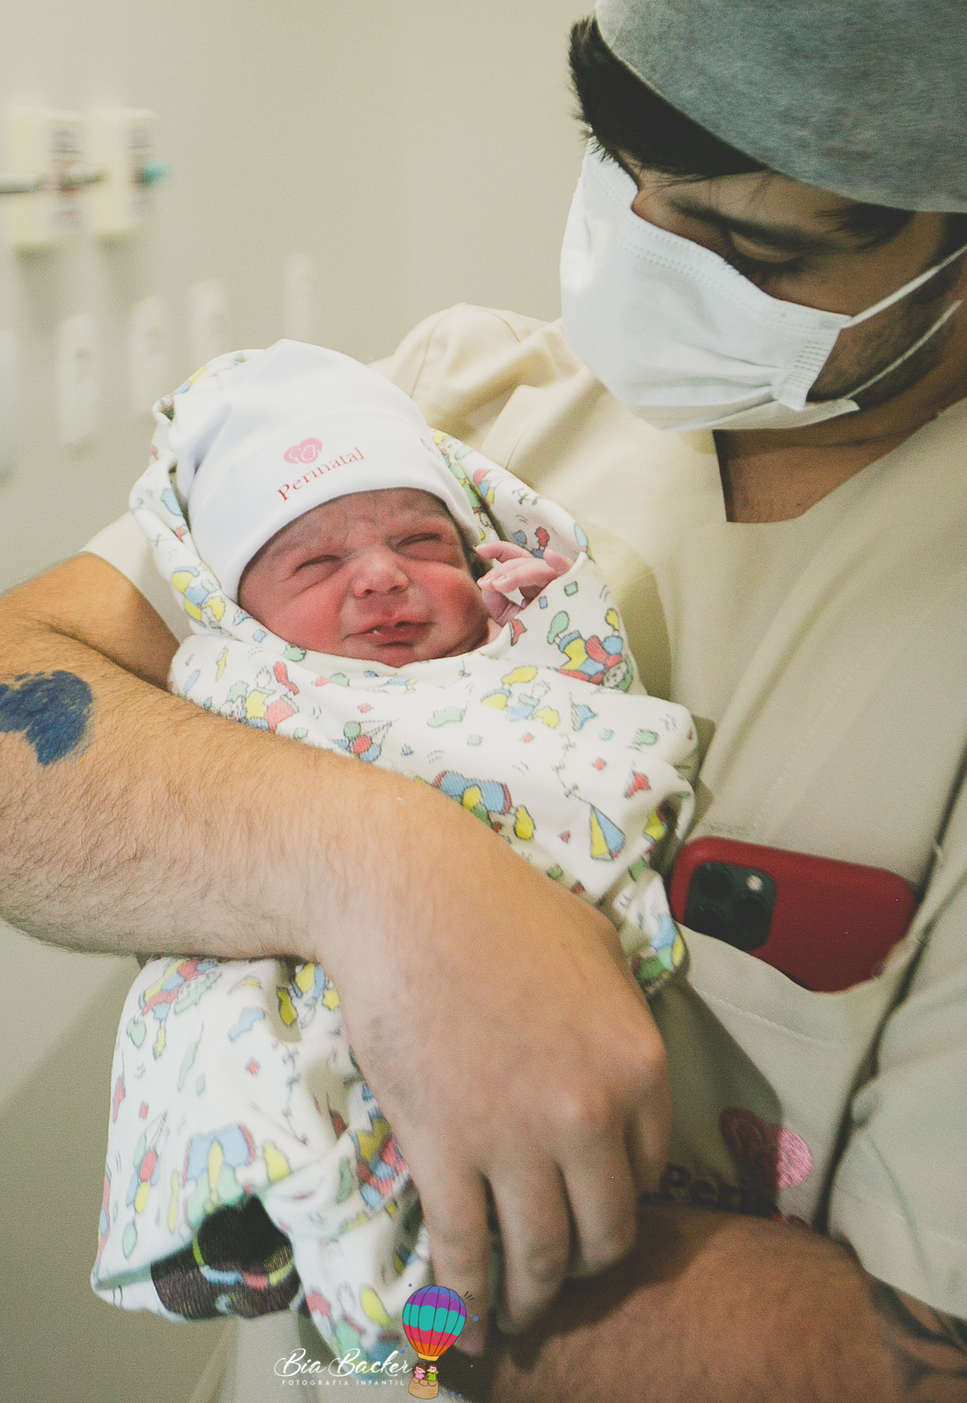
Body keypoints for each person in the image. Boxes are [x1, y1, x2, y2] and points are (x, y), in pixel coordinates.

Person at [0, 0, 967, 1400]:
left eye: (754, 249)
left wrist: (359, 1209)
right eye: (623, 179)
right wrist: (392, 881)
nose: (644, 269)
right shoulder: (452, 414)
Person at [91, 341, 698, 1359]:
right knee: (207, 1016)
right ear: (238, 609)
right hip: (302, 954)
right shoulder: (234, 678)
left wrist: (553, 612)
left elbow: (598, 713)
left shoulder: (509, 652)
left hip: (528, 922)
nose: (382, 578)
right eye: (318, 564)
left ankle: (417, 1274)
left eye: (425, 545)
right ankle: (229, 1209)